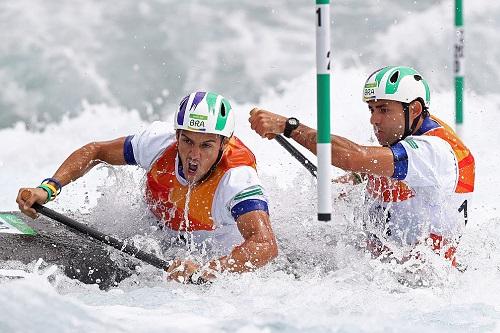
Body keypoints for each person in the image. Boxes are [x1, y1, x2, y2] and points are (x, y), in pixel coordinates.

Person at [17, 91, 278, 283]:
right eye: (187, 141)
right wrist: (49, 188)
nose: (193, 155)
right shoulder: (159, 143)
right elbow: (96, 151)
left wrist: (209, 270)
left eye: (206, 145)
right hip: (153, 235)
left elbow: (265, 244)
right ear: (176, 135)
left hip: (212, 254)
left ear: (224, 143)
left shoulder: (237, 179)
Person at [249, 66, 475, 267]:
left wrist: (289, 127)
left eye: (384, 110)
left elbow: (353, 157)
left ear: (414, 109)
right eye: (372, 109)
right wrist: (348, 183)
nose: (374, 120)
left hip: (418, 279)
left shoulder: (434, 151)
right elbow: (373, 166)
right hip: (385, 261)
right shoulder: (410, 134)